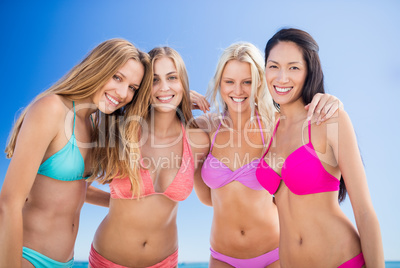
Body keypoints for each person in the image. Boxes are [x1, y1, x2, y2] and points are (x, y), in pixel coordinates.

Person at [0, 38, 152, 268]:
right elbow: (9, 202)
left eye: (132, 88)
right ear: (99, 67)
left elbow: (74, 188)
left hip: (67, 262)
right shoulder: (51, 109)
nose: (122, 93)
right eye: (117, 77)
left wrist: (123, 204)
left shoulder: (92, 122)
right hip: (26, 257)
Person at [192, 42, 342, 268]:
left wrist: (332, 101)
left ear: (259, 82)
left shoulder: (276, 123)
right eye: (229, 82)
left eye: (247, 82)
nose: (238, 91)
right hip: (222, 256)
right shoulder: (204, 127)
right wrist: (179, 102)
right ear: (219, 83)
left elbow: (312, 122)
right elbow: (206, 197)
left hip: (274, 253)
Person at [256, 28, 384, 267]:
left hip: (341, 260)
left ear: (309, 71)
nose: (281, 77)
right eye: (274, 66)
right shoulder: (267, 128)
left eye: (293, 67)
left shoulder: (331, 120)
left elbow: (365, 213)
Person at [88, 46, 210, 268]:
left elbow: (213, 196)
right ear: (145, 88)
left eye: (172, 77)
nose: (164, 87)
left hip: (164, 262)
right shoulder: (120, 130)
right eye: (155, 80)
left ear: (183, 81)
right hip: (107, 260)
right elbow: (80, 188)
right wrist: (116, 204)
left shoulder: (198, 141)